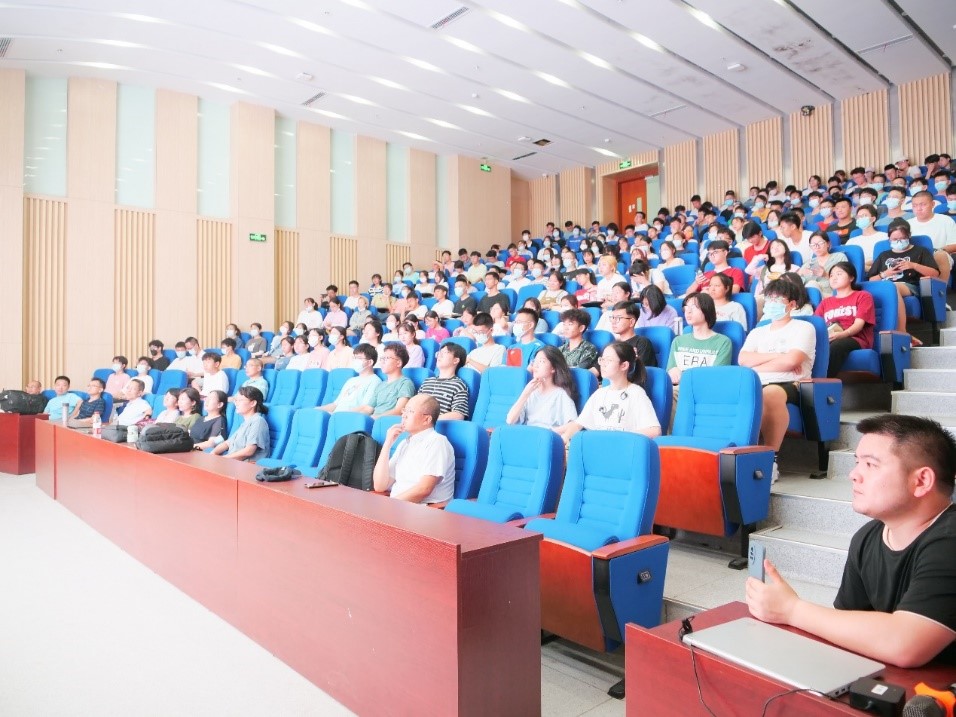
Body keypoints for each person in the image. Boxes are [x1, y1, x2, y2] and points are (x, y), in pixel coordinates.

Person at [747, 414, 956, 667]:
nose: (854, 475)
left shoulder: (949, 541)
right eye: (857, 462)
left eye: (870, 464)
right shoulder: (867, 538)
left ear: (921, 481)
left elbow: (906, 643)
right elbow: (847, 630)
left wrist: (791, 609)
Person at [739, 279, 816, 479]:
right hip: (755, 382)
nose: (772, 303)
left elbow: (791, 361)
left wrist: (758, 363)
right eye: (769, 298)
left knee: (770, 394)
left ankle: (770, 460)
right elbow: (743, 360)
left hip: (790, 383)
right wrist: (778, 356)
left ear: (792, 304)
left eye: (778, 299)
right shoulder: (757, 331)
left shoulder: (804, 328)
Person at [557, 342, 661, 443]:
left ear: (624, 365)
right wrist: (564, 438)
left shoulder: (636, 393)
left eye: (609, 360)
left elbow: (655, 431)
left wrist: (620, 438)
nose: (603, 364)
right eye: (602, 359)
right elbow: (578, 424)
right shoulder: (599, 394)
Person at [373, 394, 456, 505]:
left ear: (426, 419)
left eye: (410, 411)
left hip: (423, 509)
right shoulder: (404, 443)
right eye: (404, 411)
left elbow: (424, 489)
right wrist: (387, 444)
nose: (404, 415)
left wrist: (390, 505)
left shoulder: (437, 442)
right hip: (398, 505)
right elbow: (380, 486)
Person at [867, 221, 940, 346]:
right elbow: (871, 280)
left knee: (892, 287)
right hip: (885, 285)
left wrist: (913, 265)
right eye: (895, 239)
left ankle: (902, 332)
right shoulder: (884, 255)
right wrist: (885, 274)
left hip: (910, 286)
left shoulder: (920, 251)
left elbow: (935, 273)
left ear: (909, 235)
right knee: (886, 288)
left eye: (902, 238)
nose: (899, 242)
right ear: (889, 239)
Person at [814, 262, 875, 378]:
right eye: (831, 275)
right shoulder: (825, 302)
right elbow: (816, 326)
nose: (834, 278)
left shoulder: (863, 296)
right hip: (830, 338)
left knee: (836, 346)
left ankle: (821, 382)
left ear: (851, 277)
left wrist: (842, 334)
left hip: (855, 338)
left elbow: (859, 324)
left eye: (839, 274)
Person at [666, 292, 732, 388]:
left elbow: (716, 377)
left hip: (705, 390)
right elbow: (671, 372)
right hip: (679, 389)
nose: (688, 312)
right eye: (686, 308)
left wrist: (684, 376)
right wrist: (673, 372)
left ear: (706, 310)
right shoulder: (678, 341)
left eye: (693, 307)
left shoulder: (723, 342)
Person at [506, 347, 578, 430]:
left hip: (548, 436)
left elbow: (574, 425)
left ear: (553, 368)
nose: (536, 365)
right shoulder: (530, 392)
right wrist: (525, 394)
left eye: (541, 361)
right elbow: (510, 421)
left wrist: (551, 432)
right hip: (528, 434)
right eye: (535, 361)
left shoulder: (561, 395)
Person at [908, 189, 956, 284]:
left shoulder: (946, 220)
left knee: (940, 255)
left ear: (933, 204)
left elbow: (954, 244)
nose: (918, 208)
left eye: (922, 204)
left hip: (939, 255)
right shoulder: (907, 224)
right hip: (915, 257)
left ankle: (939, 290)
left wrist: (936, 251)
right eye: (915, 206)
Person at [356, 342, 415, 418]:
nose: (382, 362)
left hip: (387, 422)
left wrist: (375, 418)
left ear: (398, 363)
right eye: (382, 358)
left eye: (387, 358)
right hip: (373, 420)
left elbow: (399, 411)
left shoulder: (405, 383)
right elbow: (368, 408)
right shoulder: (381, 385)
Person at [212, 386, 270, 462]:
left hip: (246, 465)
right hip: (233, 463)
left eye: (240, 400)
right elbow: (227, 443)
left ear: (253, 403)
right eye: (236, 400)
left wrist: (223, 459)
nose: (236, 403)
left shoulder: (258, 421)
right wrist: (213, 453)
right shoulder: (245, 423)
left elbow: (249, 451)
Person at [318, 344, 381, 413]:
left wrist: (341, 414)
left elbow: (365, 408)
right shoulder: (351, 380)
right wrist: (316, 409)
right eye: (355, 358)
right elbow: (335, 405)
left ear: (370, 362)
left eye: (359, 358)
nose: (355, 361)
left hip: (349, 416)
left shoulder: (374, 381)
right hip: (335, 415)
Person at [418, 342, 470, 420]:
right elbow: (416, 404)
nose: (439, 355)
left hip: (436, 425)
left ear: (456, 360)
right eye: (439, 353)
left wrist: (429, 420)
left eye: (445, 352)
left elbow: (459, 414)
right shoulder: (427, 381)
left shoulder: (458, 385)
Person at [608, 301, 658, 368]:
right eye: (613, 318)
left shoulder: (642, 343)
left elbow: (642, 371)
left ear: (631, 322)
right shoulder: (613, 344)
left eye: (618, 318)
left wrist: (634, 360)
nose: (613, 322)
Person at [798, 231, 848, 295]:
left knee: (812, 284)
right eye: (813, 245)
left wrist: (825, 275)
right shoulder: (808, 263)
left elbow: (845, 279)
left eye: (820, 243)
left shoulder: (839, 257)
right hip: (808, 296)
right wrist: (800, 273)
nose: (817, 247)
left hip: (830, 295)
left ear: (828, 244)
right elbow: (794, 281)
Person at [558, 308, 599, 376]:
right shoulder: (561, 349)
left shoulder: (588, 349)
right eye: (564, 324)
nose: (565, 328)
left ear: (581, 328)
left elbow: (578, 371)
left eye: (570, 324)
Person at [846, 204, 886, 270]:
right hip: (856, 270)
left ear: (873, 219)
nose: (860, 218)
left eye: (864, 215)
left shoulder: (884, 237)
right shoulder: (851, 241)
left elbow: (886, 256)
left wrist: (863, 265)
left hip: (878, 269)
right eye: (858, 217)